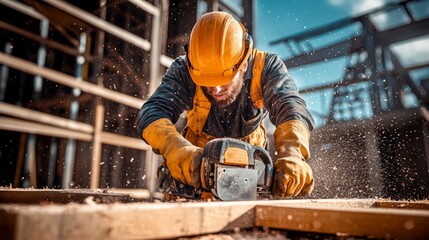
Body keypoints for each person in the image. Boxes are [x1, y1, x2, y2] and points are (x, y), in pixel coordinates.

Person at [136, 11, 315, 200]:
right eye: (207, 80)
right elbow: (151, 112)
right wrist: (176, 149)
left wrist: (293, 153)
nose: (216, 88)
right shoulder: (185, 69)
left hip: (251, 181)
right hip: (194, 181)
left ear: (244, 64)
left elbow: (291, 107)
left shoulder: (266, 68)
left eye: (224, 78)